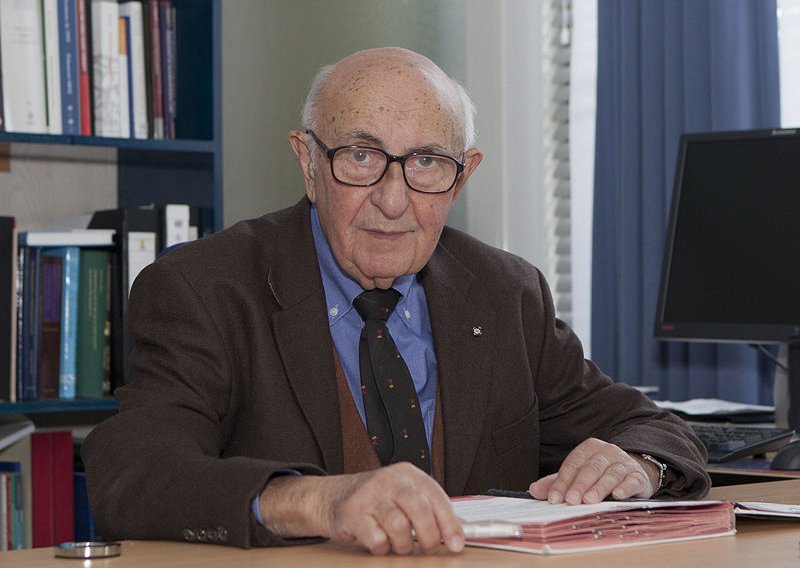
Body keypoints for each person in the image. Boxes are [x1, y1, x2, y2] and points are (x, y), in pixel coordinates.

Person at [82, 47, 710, 556]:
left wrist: (636, 463)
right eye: (361, 156)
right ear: (308, 161)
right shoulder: (205, 288)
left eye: (427, 162)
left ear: (462, 176)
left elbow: (658, 430)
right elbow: (134, 475)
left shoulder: (506, 293)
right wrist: (316, 501)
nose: (392, 199)